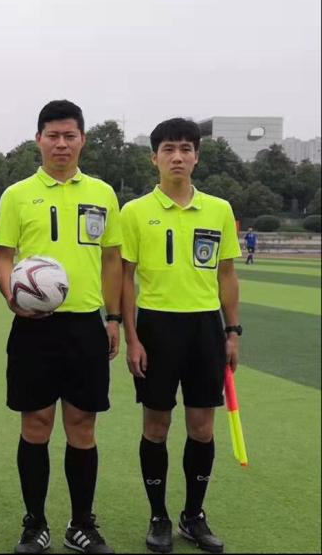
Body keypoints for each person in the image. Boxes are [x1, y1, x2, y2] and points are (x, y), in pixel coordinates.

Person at [0, 100, 123, 554]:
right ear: (39, 140)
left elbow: (112, 260)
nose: (61, 144)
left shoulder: (103, 193)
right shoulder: (17, 194)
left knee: (82, 424)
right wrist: (12, 296)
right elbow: (3, 257)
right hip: (34, 327)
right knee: (36, 423)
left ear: (82, 140)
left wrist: (113, 318)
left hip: (86, 325)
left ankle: (81, 524)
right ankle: (35, 524)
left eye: (70, 136)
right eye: (53, 136)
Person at [120, 118, 241, 554]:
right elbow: (125, 279)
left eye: (186, 149)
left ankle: (193, 515)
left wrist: (232, 331)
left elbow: (226, 274)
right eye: (169, 149)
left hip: (205, 328)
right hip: (156, 327)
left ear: (197, 157)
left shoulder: (219, 209)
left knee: (202, 427)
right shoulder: (134, 212)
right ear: (154, 157)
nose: (177, 157)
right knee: (156, 426)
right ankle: (159, 516)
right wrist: (132, 338)